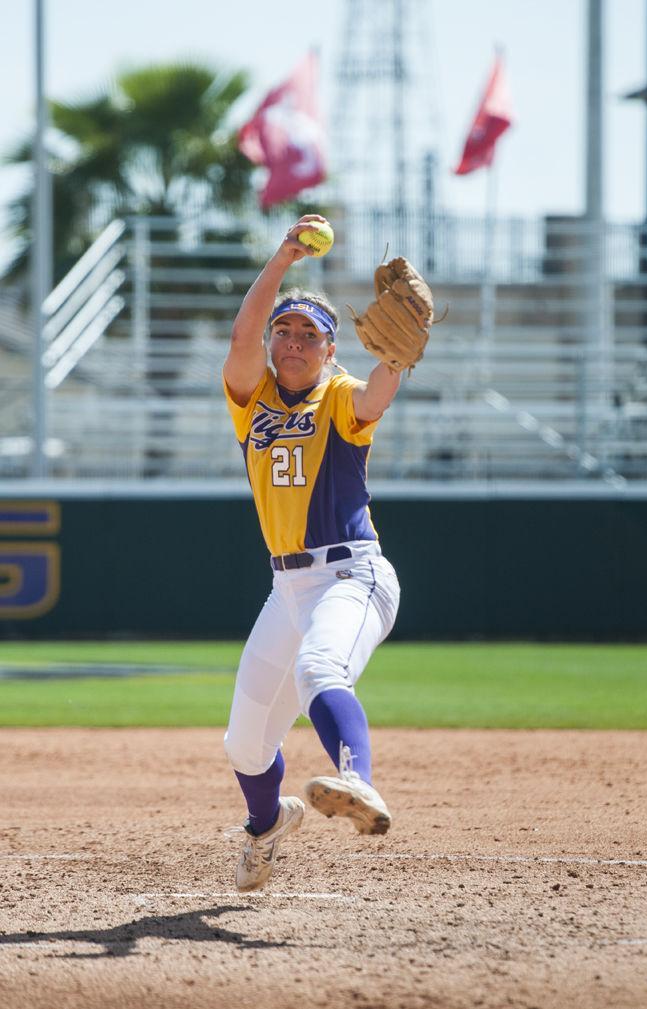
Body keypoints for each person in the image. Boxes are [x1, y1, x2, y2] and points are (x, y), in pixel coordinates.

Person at [222, 213, 401, 893]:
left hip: (351, 573)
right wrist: (282, 258)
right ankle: (266, 825)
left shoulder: (341, 397)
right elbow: (242, 336)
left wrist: (399, 356)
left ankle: (357, 778)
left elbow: (379, 391)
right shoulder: (253, 398)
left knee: (320, 665)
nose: (293, 341)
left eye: (310, 334)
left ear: (331, 351)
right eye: (285, 330)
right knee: (243, 744)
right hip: (286, 590)